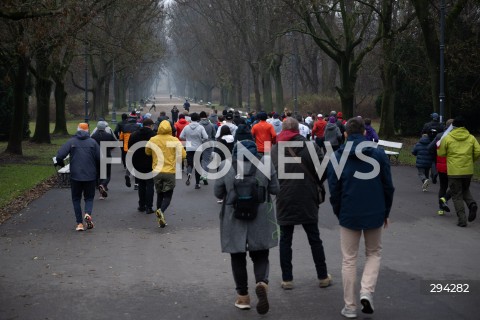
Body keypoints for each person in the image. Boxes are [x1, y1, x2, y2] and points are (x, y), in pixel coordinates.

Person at [327, 117, 394, 319]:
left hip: (349, 211)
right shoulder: (379, 154)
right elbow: (388, 186)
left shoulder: (337, 156)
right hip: (375, 210)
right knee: (373, 253)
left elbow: (334, 189)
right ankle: (367, 291)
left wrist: (339, 211)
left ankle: (350, 306)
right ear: (365, 133)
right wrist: (386, 212)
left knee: (349, 259)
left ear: (345, 134)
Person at [214, 139, 280, 315]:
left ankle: (243, 297)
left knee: (237, 256)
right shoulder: (266, 162)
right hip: (260, 217)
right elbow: (275, 189)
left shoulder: (225, 165)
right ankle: (261, 282)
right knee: (260, 253)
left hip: (233, 217)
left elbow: (218, 192)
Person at [271, 117, 331, 291]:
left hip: (284, 197)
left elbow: (270, 175)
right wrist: (315, 184)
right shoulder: (311, 147)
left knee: (285, 240)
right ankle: (322, 276)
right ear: (298, 130)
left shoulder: (275, 150)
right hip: (307, 196)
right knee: (314, 238)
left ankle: (287, 279)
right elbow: (324, 170)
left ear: (282, 130)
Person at [56, 123, 100, 231]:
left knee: (76, 199)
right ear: (88, 130)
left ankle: (79, 224)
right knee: (89, 198)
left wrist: (60, 163)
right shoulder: (93, 142)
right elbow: (100, 159)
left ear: (78, 130)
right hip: (90, 176)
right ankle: (87, 214)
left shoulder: (72, 141)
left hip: (75, 176)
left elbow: (60, 155)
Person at [438, 116, 480, 227]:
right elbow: (478, 151)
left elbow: (441, 153)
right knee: (465, 189)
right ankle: (472, 205)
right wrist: (471, 160)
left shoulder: (448, 138)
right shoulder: (471, 137)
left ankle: (462, 220)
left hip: (454, 170)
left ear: (454, 126)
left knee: (456, 194)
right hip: (468, 170)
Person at [145, 120, 186, 228]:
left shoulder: (153, 139)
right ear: (170, 129)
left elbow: (147, 152)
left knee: (159, 194)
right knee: (168, 195)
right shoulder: (174, 140)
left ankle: (160, 217)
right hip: (169, 171)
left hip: (156, 171)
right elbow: (182, 155)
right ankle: (161, 211)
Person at [128, 118, 156, 214]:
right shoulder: (153, 135)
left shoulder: (134, 134)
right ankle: (149, 206)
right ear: (151, 125)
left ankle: (141, 205)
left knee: (141, 184)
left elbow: (129, 148)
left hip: (137, 162)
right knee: (150, 184)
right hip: (150, 162)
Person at [428, 119, 454, 215]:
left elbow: (429, 148)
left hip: (441, 165)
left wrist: (436, 154)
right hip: (453, 165)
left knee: (443, 186)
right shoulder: (454, 137)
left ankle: (441, 208)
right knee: (455, 186)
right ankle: (445, 199)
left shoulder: (439, 136)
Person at [179, 112, 208, 189]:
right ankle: (197, 184)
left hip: (189, 147)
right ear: (198, 119)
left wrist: (187, 140)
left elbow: (181, 136)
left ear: (191, 119)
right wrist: (201, 140)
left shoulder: (186, 127)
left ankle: (189, 172)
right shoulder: (201, 127)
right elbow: (206, 137)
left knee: (190, 163)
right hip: (198, 147)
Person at [91, 120, 117, 199]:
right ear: (105, 127)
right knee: (107, 174)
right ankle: (103, 185)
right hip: (107, 155)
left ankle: (101, 194)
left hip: (97, 157)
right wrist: (109, 148)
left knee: (99, 174)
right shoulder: (108, 135)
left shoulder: (93, 136)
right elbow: (115, 143)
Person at [119, 113, 140, 189]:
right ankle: (136, 184)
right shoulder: (138, 127)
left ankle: (127, 174)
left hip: (127, 148)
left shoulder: (124, 128)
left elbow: (121, 138)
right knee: (137, 164)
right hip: (136, 148)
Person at [199, 111, 217, 184]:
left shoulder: (198, 125)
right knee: (206, 161)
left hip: (199, 144)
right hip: (208, 143)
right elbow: (214, 135)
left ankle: (199, 175)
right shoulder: (211, 125)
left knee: (199, 160)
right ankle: (205, 175)